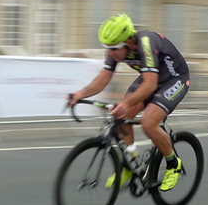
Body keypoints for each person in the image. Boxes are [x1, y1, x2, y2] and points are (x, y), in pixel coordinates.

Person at [68, 13, 190, 191]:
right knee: (120, 118)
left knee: (148, 123)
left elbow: (150, 85)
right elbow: (104, 78)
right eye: (107, 48)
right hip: (151, 77)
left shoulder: (145, 43)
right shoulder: (116, 47)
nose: (110, 53)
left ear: (129, 42)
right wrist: (81, 94)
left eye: (114, 49)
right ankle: (130, 164)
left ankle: (173, 164)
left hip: (175, 79)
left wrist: (125, 104)